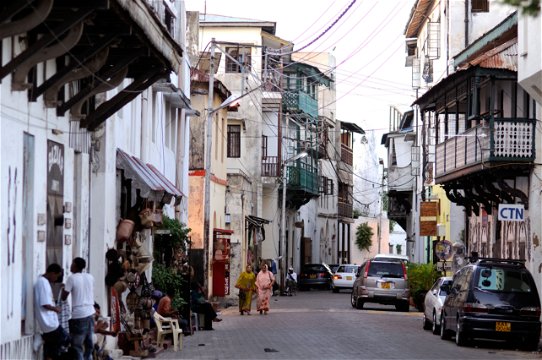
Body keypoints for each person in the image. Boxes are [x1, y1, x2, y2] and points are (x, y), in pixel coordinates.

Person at [62, 257, 95, 360]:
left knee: (77, 346)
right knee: (89, 345)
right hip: (90, 313)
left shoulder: (71, 278)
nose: (70, 265)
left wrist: (62, 288)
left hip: (79, 315)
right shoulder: (90, 277)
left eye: (72, 263)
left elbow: (64, 297)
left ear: (75, 265)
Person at [34, 263, 68, 360]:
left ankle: (44, 339)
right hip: (49, 323)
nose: (56, 280)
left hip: (49, 323)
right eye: (56, 277)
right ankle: (43, 338)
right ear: (52, 273)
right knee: (64, 339)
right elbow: (44, 304)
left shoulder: (43, 282)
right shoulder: (43, 282)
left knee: (52, 349)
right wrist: (55, 309)